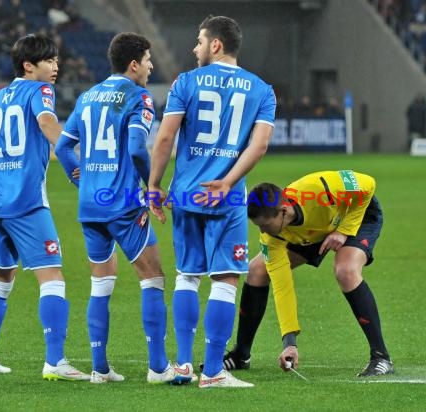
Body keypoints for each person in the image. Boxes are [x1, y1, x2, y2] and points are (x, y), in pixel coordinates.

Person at [0, 34, 89, 381]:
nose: (56, 67)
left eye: (56, 60)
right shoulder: (40, 91)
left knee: (0, 281)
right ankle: (55, 362)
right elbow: (46, 122)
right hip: (26, 204)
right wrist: (72, 146)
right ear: (29, 65)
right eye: (49, 60)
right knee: (53, 278)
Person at [148, 15, 276, 388]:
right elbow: (260, 145)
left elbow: (165, 138)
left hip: (186, 194)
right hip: (228, 197)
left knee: (187, 276)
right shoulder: (262, 90)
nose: (195, 48)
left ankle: (184, 366)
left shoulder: (185, 82)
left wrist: (155, 186)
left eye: (199, 41)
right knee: (224, 281)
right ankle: (214, 372)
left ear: (215, 45)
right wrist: (228, 181)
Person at [55, 32, 183, 385]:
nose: (151, 66)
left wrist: (82, 182)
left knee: (101, 283)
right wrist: (152, 188)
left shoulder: (88, 97)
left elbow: (64, 149)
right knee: (153, 278)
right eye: (147, 59)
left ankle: (100, 369)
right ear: (133, 64)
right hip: (123, 204)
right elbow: (138, 150)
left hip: (91, 205)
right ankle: (158, 368)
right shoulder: (138, 97)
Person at [222, 170, 394, 377]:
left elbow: (368, 184)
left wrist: (344, 231)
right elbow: (282, 286)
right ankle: (241, 354)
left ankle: (381, 357)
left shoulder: (320, 187)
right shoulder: (271, 236)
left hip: (355, 215)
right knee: (257, 270)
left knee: (345, 270)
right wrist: (290, 342)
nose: (264, 232)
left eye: (266, 225)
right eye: (259, 227)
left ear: (283, 210)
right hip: (312, 232)